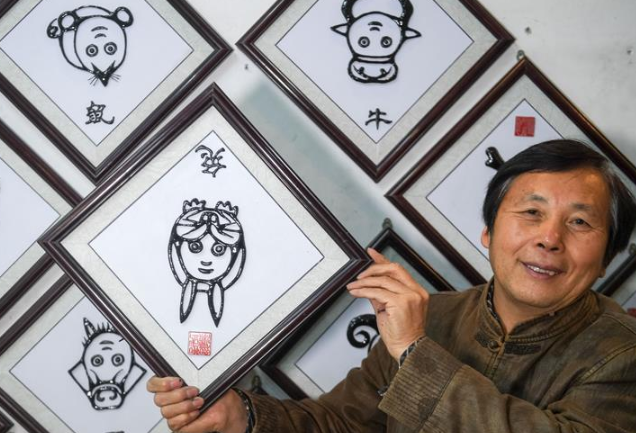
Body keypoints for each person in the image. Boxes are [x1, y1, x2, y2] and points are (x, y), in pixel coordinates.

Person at [148, 139, 636, 432]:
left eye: (579, 222)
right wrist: (243, 418)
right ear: (488, 232)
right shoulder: (434, 315)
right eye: (531, 212)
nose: (549, 239)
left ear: (608, 256)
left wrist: (413, 352)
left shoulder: (622, 354)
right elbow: (343, 423)